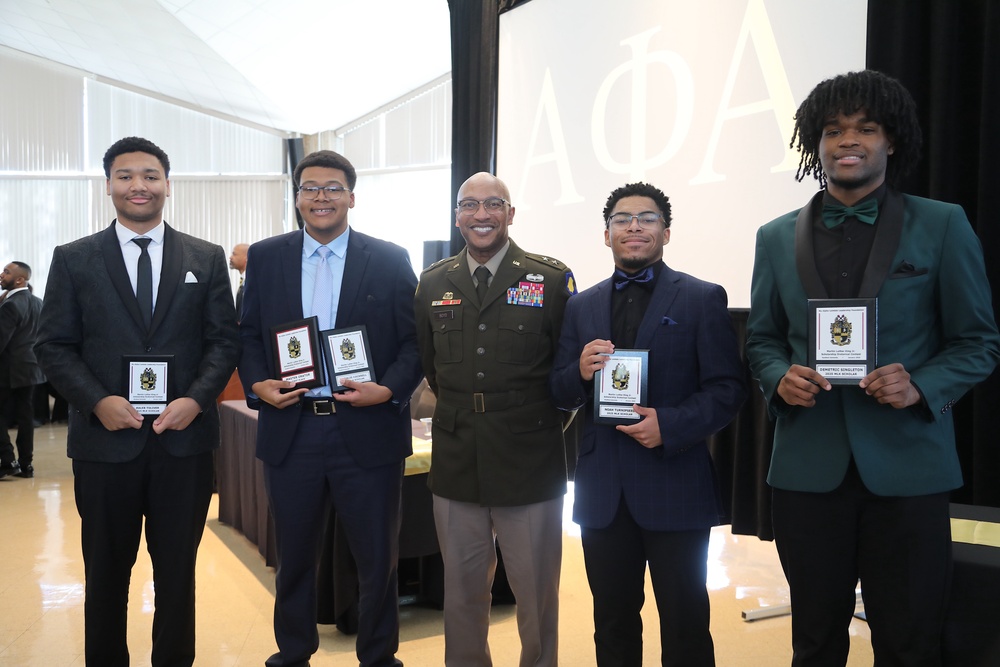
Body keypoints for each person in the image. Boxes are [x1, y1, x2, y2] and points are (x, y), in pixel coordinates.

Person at [745, 70, 1000, 665]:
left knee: (910, 642)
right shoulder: (775, 236)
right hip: (808, 470)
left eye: (865, 128)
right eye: (833, 130)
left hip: (908, 470)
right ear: (816, 142)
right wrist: (778, 376)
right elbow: (761, 340)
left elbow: (978, 342)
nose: (847, 140)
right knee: (813, 641)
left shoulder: (942, 224)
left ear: (892, 140)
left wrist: (921, 385)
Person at [34, 136, 240, 667]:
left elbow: (224, 342)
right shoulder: (74, 259)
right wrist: (96, 400)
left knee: (178, 573)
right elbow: (53, 346)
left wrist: (196, 400)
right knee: (105, 573)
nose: (138, 185)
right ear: (108, 186)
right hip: (105, 445)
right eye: (125, 176)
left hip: (184, 443)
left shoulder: (206, 257)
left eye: (150, 175)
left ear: (167, 184)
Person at [549, 182, 746, 666]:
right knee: (612, 624)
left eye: (647, 218)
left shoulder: (701, 298)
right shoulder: (579, 306)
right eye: (622, 219)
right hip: (602, 493)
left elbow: (728, 389)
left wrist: (672, 425)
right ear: (606, 234)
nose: (634, 226)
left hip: (675, 483)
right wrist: (578, 372)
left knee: (685, 624)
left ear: (667, 231)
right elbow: (558, 392)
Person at [238, 149, 422, 667]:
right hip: (292, 430)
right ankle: (292, 654)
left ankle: (379, 657)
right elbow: (248, 333)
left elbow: (415, 342)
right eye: (310, 187)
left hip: (367, 429)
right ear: (296, 197)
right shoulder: (268, 257)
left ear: (352, 197)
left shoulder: (388, 258)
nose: (321, 196)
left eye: (333, 188)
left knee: (377, 558)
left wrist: (389, 390)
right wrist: (257, 383)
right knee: (294, 557)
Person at [414, 172, 575, 667]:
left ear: (510, 213)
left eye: (493, 204)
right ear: (457, 215)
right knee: (461, 595)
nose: (481, 215)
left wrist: (532, 422)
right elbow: (431, 367)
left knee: (536, 597)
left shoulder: (549, 279)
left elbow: (567, 376)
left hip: (529, 460)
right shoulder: (433, 281)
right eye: (469, 205)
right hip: (458, 457)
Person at [0, 261, 45, 478]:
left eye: (6, 272)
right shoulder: (38, 302)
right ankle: (26, 464)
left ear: (20, 279)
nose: (1, 275)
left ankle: (7, 461)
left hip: (9, 369)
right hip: (32, 368)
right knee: (26, 417)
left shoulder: (10, 305)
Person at [230, 242, 249, 320]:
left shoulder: (251, 282)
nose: (230, 257)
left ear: (246, 258)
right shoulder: (243, 280)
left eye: (234, 254)